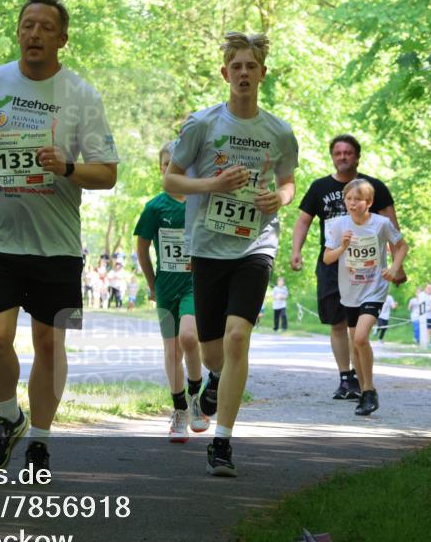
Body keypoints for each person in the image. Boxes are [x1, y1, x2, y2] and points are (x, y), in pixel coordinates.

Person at [0, 0, 118, 472]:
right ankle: (9, 417)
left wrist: (66, 167)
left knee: (49, 341)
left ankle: (41, 438)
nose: (35, 34)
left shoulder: (82, 95)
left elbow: (107, 173)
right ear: (18, 32)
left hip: (58, 245)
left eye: (47, 27)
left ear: (62, 39)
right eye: (28, 25)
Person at [164, 31, 298, 476]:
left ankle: (222, 443)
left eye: (250, 66)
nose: (243, 73)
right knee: (213, 349)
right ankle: (216, 379)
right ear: (225, 73)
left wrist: (279, 198)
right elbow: (172, 181)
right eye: (236, 66)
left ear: (262, 74)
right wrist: (212, 186)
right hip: (207, 245)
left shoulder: (279, 131)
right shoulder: (203, 125)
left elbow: (288, 181)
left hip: (255, 243)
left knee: (239, 335)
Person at [290, 134, 403, 401]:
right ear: (332, 156)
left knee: (358, 327)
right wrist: (296, 251)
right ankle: (346, 378)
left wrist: (398, 266)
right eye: (338, 153)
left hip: (367, 267)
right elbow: (303, 221)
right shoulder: (319, 187)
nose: (343, 157)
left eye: (348, 153)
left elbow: (391, 226)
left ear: (357, 156)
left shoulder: (373, 187)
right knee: (337, 322)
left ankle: (363, 379)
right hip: (332, 262)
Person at [135, 141, 207, 442]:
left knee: (189, 338)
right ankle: (179, 410)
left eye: (176, 163)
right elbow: (142, 247)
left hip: (194, 284)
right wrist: (152, 285)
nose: (170, 168)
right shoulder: (155, 207)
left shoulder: (199, 202)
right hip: (166, 287)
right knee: (172, 349)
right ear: (161, 168)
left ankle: (195, 397)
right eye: (165, 164)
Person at [323, 179, 408, 416]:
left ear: (368, 202)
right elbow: (327, 258)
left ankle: (369, 391)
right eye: (348, 199)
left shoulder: (381, 224)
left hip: (375, 288)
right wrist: (343, 247)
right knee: (355, 344)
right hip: (350, 291)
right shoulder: (339, 225)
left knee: (360, 338)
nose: (352, 203)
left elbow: (402, 246)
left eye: (357, 200)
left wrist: (394, 267)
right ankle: (364, 392)